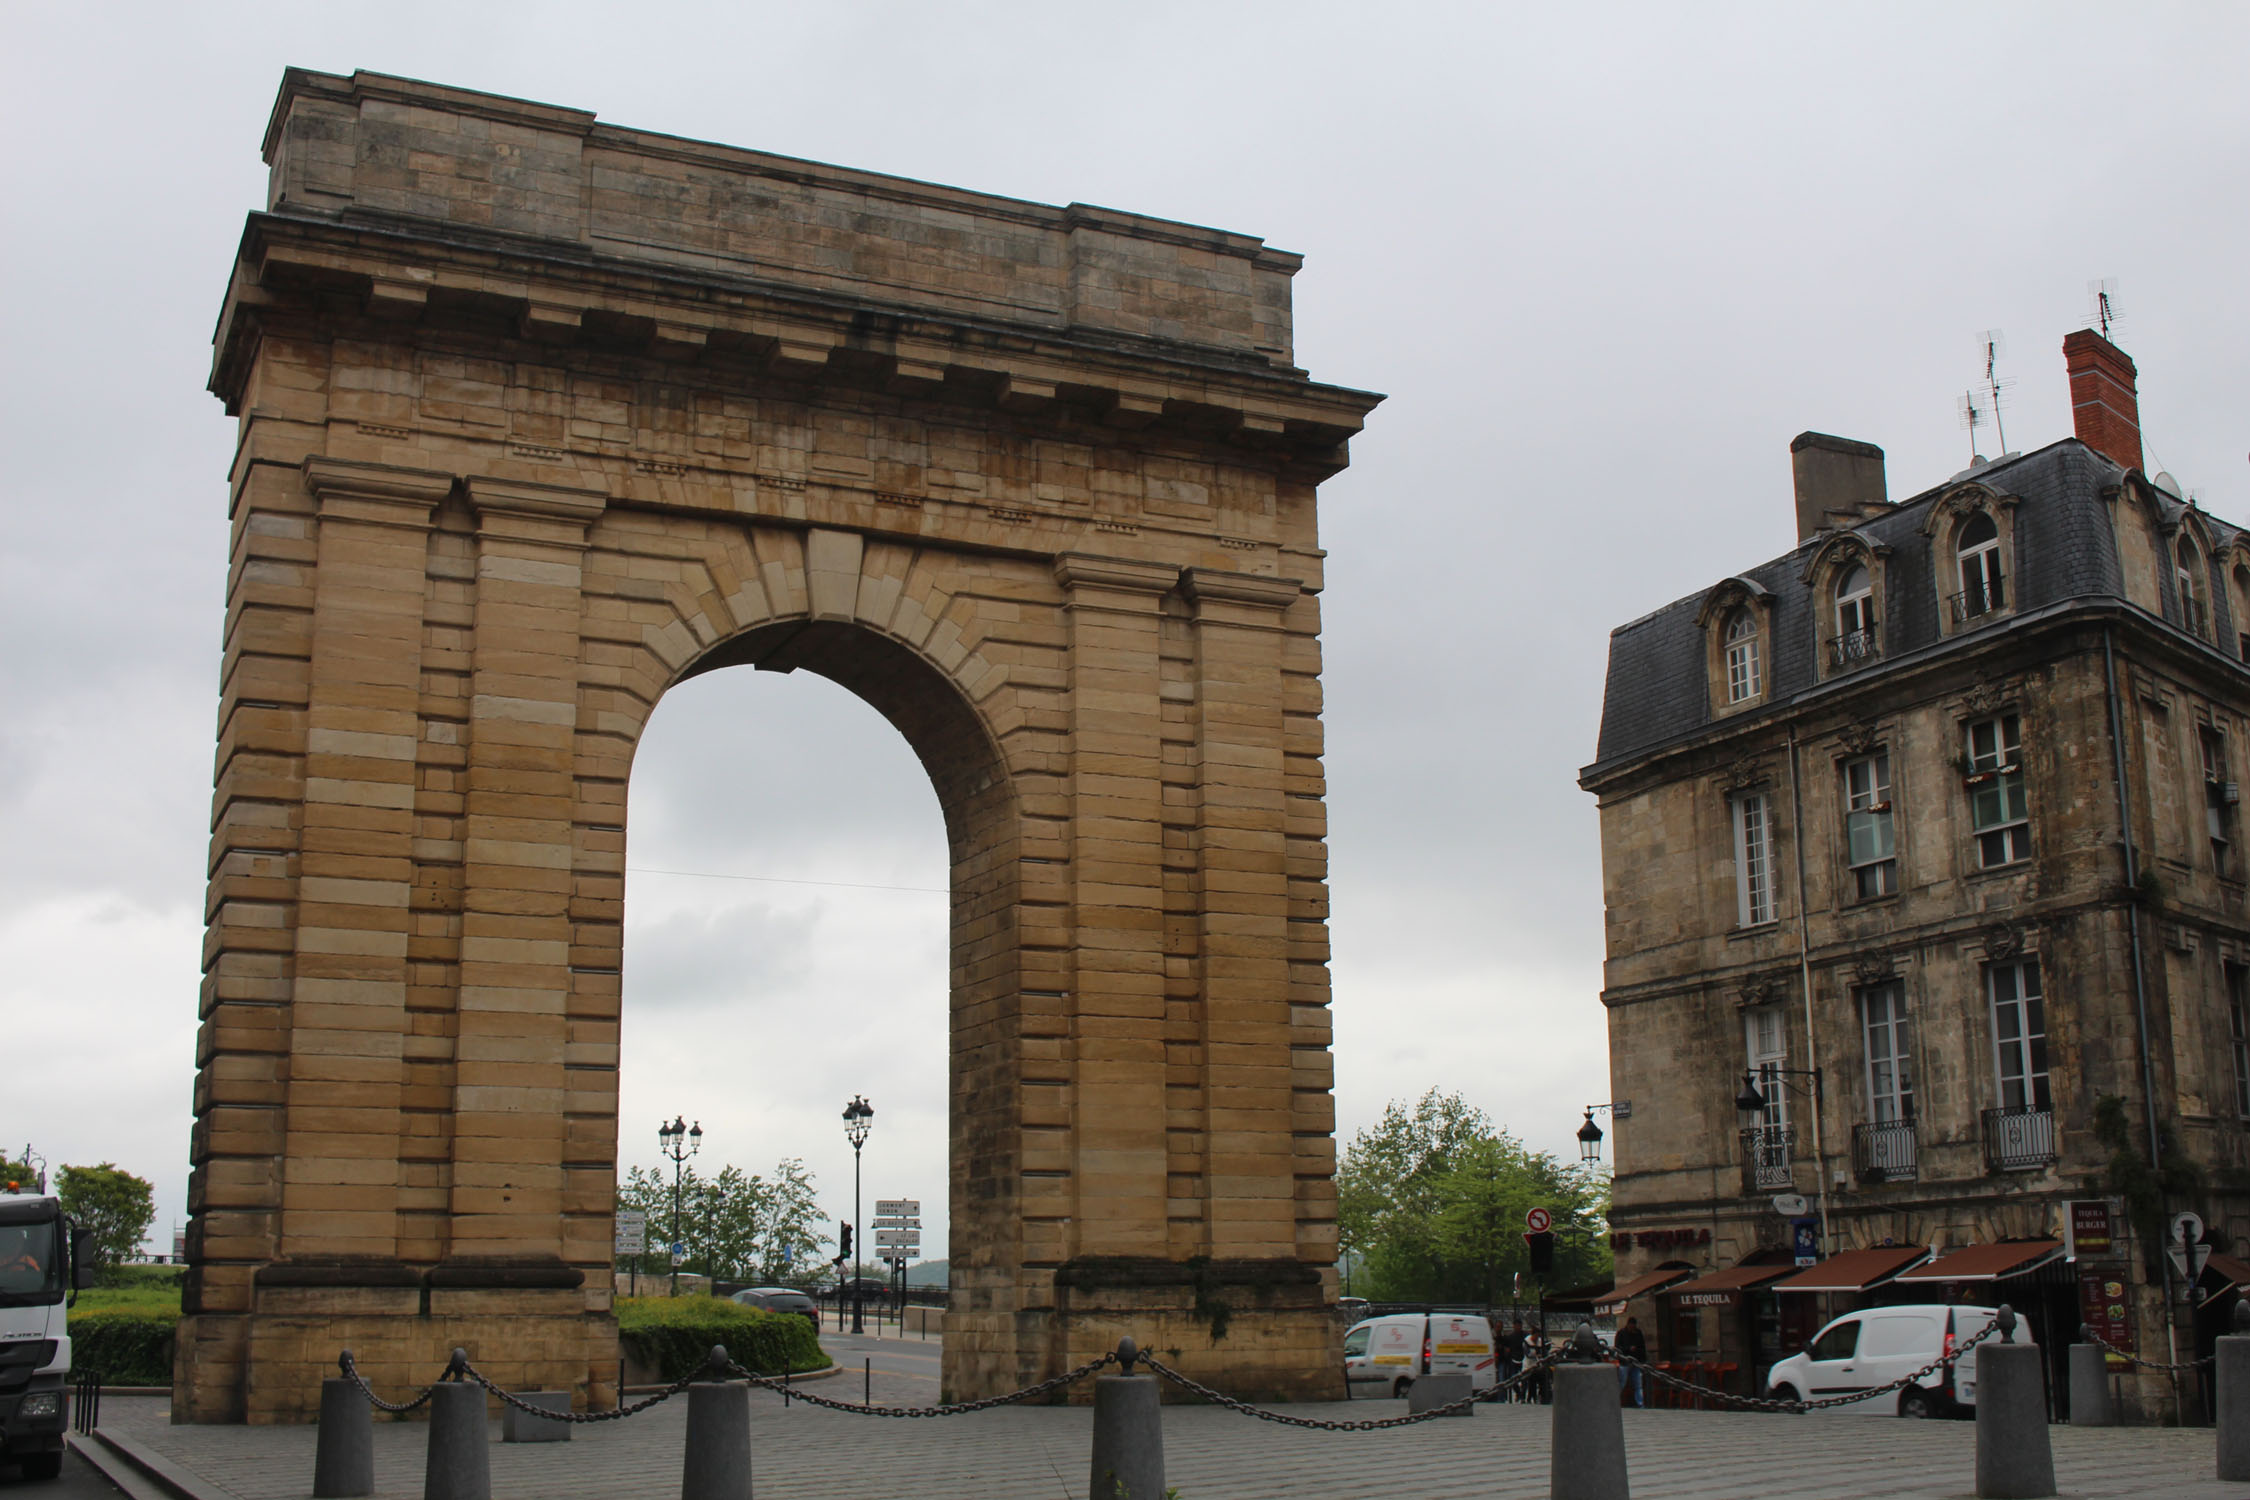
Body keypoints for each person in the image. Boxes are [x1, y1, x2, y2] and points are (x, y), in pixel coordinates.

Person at [1615, 1315, 1649, 1407]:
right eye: (1631, 1326)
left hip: (1636, 1362)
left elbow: (1642, 1347)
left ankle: (1640, 1404)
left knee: (1638, 1384)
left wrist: (1643, 1361)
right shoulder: (1621, 1333)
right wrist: (1628, 1349)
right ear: (1628, 1325)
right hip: (1625, 1362)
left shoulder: (1638, 1333)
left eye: (1634, 1326)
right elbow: (1617, 1348)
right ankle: (1615, 1401)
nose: (1632, 1328)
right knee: (1622, 1382)